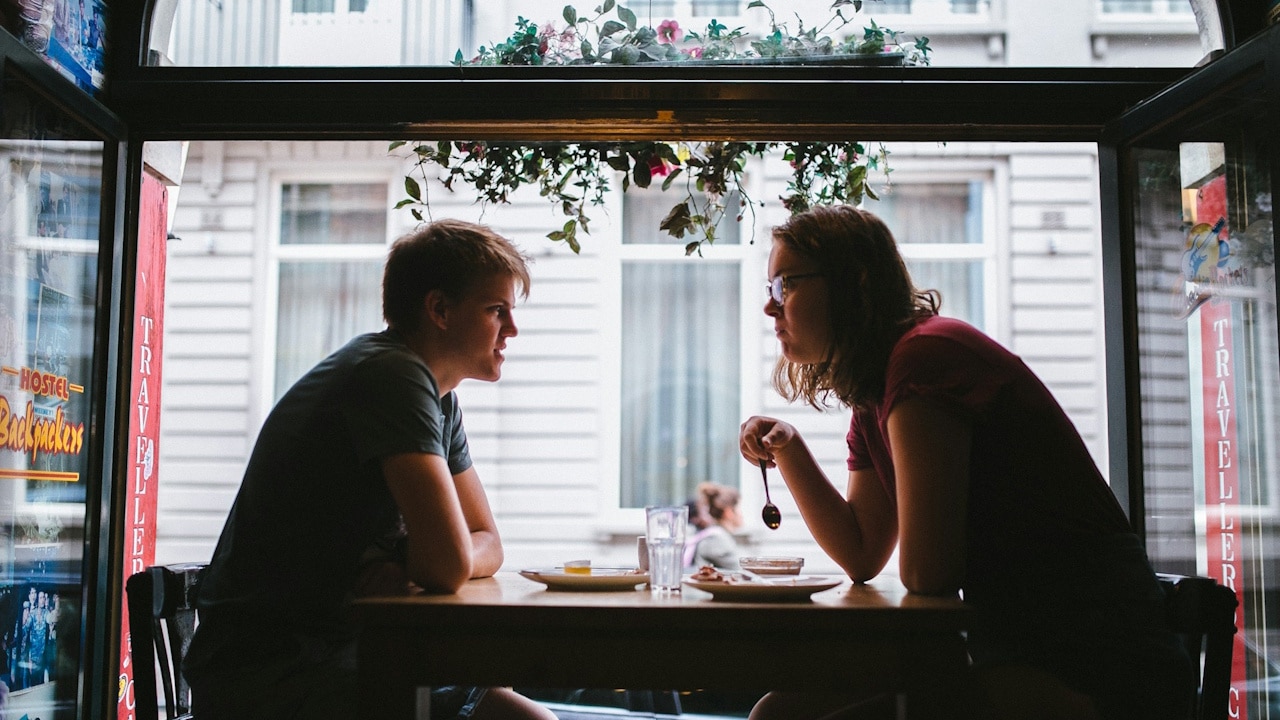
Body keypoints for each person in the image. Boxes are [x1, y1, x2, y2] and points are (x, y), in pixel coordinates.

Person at [737, 205, 1194, 720]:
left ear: (854, 283)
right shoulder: (876, 393)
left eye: (785, 286)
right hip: (1021, 650)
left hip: (1095, 665)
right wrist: (789, 447)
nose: (770, 308)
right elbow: (862, 555)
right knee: (777, 714)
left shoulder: (925, 358)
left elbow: (928, 573)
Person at [184, 219, 556, 720]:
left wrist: (411, 566)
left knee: (527, 716)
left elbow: (486, 539)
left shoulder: (439, 399)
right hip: (275, 675)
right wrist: (432, 560)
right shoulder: (392, 375)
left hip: (349, 654)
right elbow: (448, 566)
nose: (512, 329)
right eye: (496, 310)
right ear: (439, 309)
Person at [683, 482, 743, 570]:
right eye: (738, 509)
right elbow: (743, 571)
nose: (741, 515)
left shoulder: (708, 534)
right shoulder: (716, 539)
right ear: (728, 511)